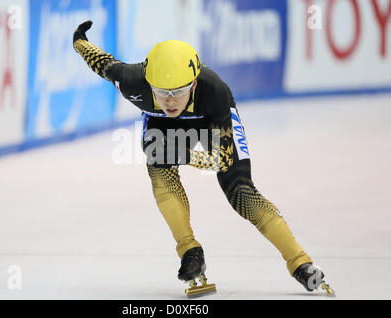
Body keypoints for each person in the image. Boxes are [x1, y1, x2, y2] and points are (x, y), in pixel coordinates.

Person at [73, 20, 333, 296]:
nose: (171, 101)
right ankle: (190, 252)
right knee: (158, 164)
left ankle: (299, 262)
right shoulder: (131, 80)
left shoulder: (215, 91)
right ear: (149, 83)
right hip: (162, 126)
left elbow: (222, 159)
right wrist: (79, 41)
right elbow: (102, 62)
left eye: (178, 92)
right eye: (162, 93)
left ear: (194, 83)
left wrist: (186, 155)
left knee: (242, 192)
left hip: (211, 122)